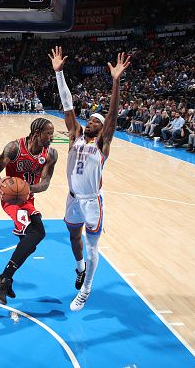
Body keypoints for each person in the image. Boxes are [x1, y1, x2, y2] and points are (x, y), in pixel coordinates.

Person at [50, 47, 130, 311]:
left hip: (92, 202)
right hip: (72, 198)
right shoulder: (74, 134)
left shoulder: (102, 143)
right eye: (91, 120)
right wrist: (59, 74)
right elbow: (67, 105)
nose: (91, 122)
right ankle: (80, 267)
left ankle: (85, 290)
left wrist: (116, 81)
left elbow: (112, 116)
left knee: (92, 245)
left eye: (96, 121)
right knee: (74, 237)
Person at [0, 117, 58, 305]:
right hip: (11, 199)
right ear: (37, 134)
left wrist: (27, 188)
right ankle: (2, 279)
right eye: (48, 133)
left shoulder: (50, 154)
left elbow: (44, 184)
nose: (52, 137)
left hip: (27, 198)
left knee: (29, 244)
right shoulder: (14, 148)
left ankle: (5, 279)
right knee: (37, 232)